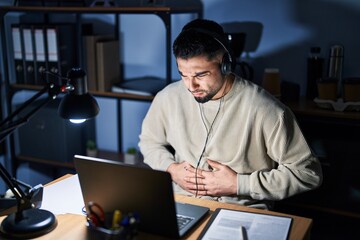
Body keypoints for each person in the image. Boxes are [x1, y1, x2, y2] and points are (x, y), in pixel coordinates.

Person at [138, 19, 322, 209]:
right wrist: (171, 169)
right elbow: (149, 142)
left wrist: (238, 184)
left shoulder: (267, 110)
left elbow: (307, 174)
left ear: (225, 64)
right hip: (182, 205)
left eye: (200, 75)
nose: (190, 86)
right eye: (184, 75)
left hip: (242, 211)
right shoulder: (168, 97)